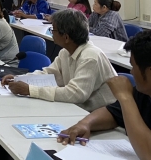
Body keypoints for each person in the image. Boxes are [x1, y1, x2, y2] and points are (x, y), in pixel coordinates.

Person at [58, 31, 151, 159]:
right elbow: (113, 113)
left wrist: (125, 98)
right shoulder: (144, 93)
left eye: (133, 66)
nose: (131, 72)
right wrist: (85, 123)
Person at [1, 9, 117, 111]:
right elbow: (48, 74)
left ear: (66, 37)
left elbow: (76, 94)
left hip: (102, 115)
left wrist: (31, 90)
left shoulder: (90, 56)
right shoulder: (65, 52)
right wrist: (19, 79)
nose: (51, 33)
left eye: (53, 30)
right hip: (78, 109)